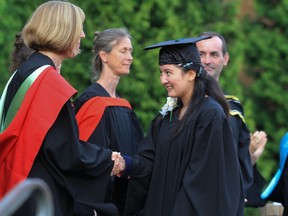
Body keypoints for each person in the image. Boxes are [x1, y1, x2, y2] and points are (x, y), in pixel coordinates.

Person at [0, 1, 124, 216]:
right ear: (62, 30)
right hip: (38, 193)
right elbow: (66, 151)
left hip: (18, 183)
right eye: (79, 28)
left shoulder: (27, 72)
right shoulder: (47, 81)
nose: (83, 35)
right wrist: (107, 158)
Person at [120, 37, 244, 215]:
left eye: (168, 73)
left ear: (191, 74)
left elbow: (204, 185)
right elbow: (150, 160)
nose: (163, 80)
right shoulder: (168, 116)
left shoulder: (210, 117)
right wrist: (127, 164)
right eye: (161, 72)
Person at [74, 27, 144, 215]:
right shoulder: (90, 102)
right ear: (104, 55)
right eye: (123, 51)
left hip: (121, 202)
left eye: (130, 51)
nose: (129, 57)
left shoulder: (124, 106)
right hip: (97, 205)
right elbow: (82, 156)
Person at [196, 31, 268, 207]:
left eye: (214, 54)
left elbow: (234, 168)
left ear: (225, 59)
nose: (207, 60)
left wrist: (249, 157)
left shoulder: (233, 110)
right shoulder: (179, 106)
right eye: (201, 54)